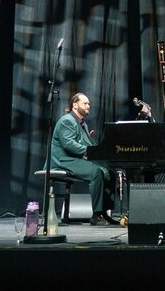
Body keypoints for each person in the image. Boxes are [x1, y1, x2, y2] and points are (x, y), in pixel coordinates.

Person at [50, 93, 117, 226]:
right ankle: (96, 215)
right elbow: (68, 144)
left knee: (109, 172)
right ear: (75, 105)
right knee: (96, 172)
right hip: (63, 160)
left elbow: (85, 145)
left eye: (89, 104)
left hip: (74, 159)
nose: (88, 106)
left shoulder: (82, 124)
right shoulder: (67, 120)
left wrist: (99, 151)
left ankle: (104, 212)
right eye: (85, 103)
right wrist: (89, 150)